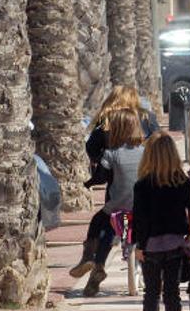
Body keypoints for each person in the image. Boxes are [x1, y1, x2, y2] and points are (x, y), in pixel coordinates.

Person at [72, 86, 159, 284]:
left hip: (116, 180)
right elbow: (160, 141)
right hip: (146, 184)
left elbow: (91, 148)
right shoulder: (146, 117)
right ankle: (152, 272)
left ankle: (95, 261)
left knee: (107, 222)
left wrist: (102, 161)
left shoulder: (108, 120)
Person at [81, 108, 146, 297]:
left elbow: (101, 177)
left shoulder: (111, 154)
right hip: (142, 208)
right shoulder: (146, 151)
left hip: (118, 207)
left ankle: (94, 261)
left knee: (102, 227)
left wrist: (90, 181)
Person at [133, 131, 190, 311]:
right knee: (172, 292)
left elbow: (140, 220)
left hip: (151, 245)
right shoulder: (183, 182)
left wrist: (139, 246)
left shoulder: (142, 186)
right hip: (176, 243)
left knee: (151, 292)